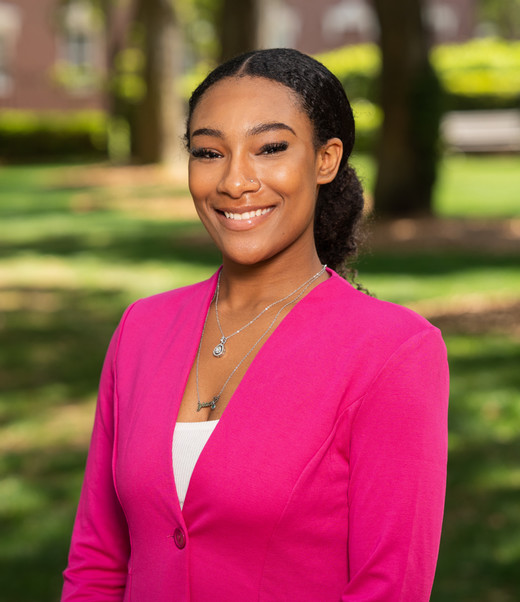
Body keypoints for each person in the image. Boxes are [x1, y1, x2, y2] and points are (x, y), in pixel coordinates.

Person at [61, 48, 449, 601]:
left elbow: (389, 588)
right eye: (209, 152)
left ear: (326, 159)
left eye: (270, 148)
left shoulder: (393, 351)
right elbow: (98, 561)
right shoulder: (141, 330)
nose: (235, 181)